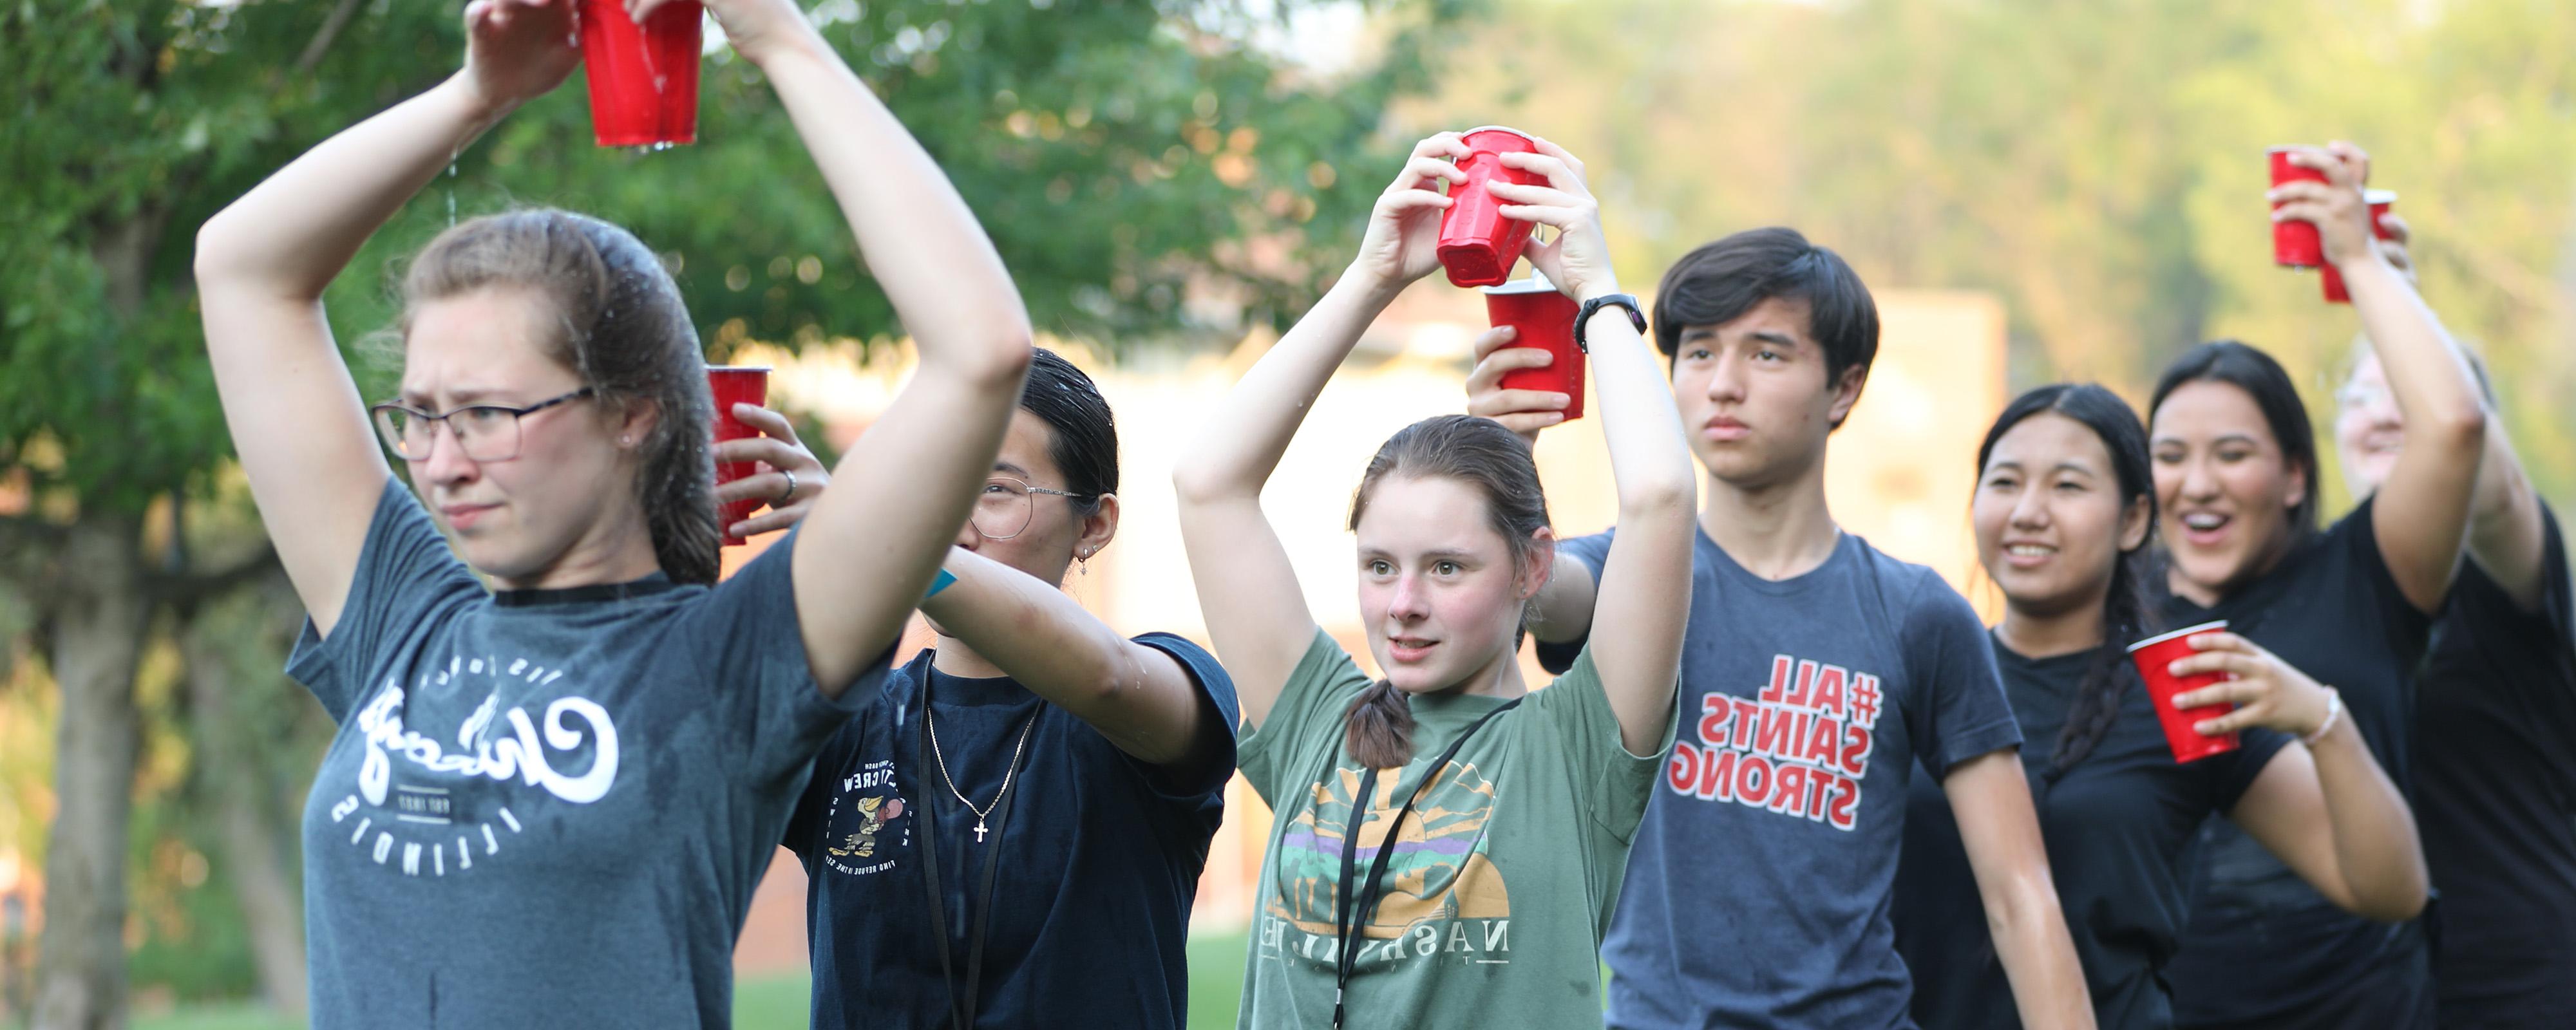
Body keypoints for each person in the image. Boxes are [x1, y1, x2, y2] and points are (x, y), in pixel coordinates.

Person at [191, 0, 1032, 1022]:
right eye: (418, 417)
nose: (441, 463)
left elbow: (979, 351)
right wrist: (480, 94)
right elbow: (242, 270)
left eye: (489, 413)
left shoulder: (733, 662)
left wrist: (775, 36)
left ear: (633, 414)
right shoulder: (403, 620)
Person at [1470, 225, 2091, 1028]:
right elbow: (1529, 593)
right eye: (1697, 353)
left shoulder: (1918, 614)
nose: (1723, 384)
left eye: (1766, 354)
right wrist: (1504, 460)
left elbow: (2020, 896)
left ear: (1843, 387)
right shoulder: (1628, 581)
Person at [1174, 132, 1694, 1028]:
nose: (1402, 603)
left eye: (1447, 568)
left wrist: (1597, 293)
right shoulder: (1317, 723)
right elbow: (1207, 483)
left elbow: (1659, 495)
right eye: (1380, 566)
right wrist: (1375, 277)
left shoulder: (1576, 748)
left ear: (1533, 566)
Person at [1894, 384, 2426, 1030]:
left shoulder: (2181, 690)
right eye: (2004, 482)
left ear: (2134, 520)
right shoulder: (1920, 680)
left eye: (2067, 487)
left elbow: (2389, 889)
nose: (2028, 511)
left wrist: (2322, 719)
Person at [756, 349, 1238, 1029]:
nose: (948, 522)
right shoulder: (844, 720)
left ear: (1093, 524)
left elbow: (1103, 679)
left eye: (993, 490)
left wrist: (880, 539)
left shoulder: (1161, 685)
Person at [2149, 144, 2489, 1030]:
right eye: (2172, 457)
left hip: (2363, 1006)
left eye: (2234, 455)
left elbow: (2452, 426)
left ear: (2295, 475)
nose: (2200, 484)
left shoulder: (2364, 576)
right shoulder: (2121, 608)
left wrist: (2362, 263)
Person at [2333, 217, 2576, 1030]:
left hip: (2512, 985)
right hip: (2359, 992)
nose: (2386, 414)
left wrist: (2390, 285)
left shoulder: (2506, 574)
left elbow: (2485, 477)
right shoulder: (2316, 591)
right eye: (2363, 397)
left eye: (2407, 396)